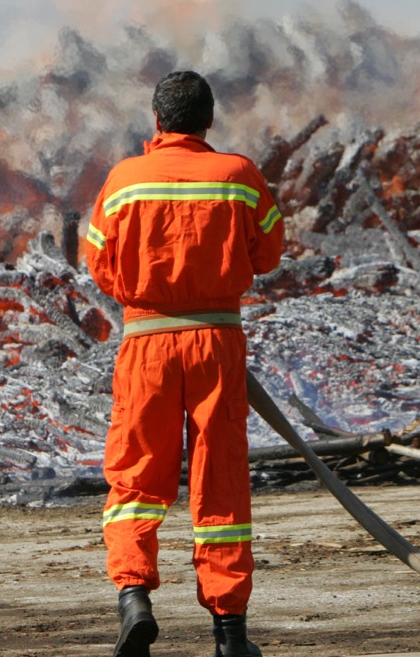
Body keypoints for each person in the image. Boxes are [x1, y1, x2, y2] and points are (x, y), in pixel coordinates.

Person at [85, 70, 285, 657]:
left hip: (146, 342)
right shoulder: (239, 176)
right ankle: (230, 634)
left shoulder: (124, 181)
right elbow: (269, 253)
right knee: (219, 478)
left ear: (156, 121)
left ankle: (133, 598)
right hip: (216, 345)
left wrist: (145, 293)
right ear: (209, 122)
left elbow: (98, 263)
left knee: (136, 473)